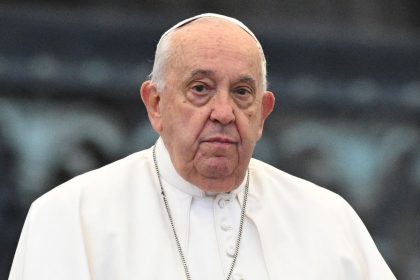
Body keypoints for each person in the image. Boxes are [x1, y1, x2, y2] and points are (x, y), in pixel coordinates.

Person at [9, 13, 395, 280]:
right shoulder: (69, 216)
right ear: (156, 104)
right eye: (200, 89)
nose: (223, 112)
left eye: (242, 92)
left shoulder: (329, 221)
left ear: (262, 113)